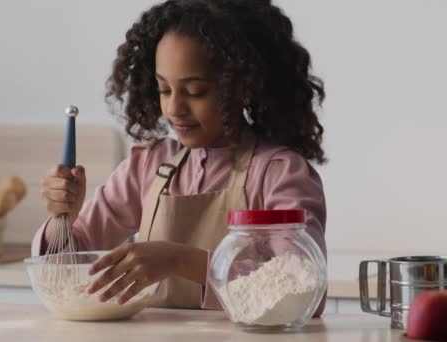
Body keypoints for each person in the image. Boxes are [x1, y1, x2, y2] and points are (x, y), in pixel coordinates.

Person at [32, 0, 327, 315]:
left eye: (195, 91)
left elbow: (303, 288)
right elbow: (63, 264)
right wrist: (62, 217)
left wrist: (178, 260)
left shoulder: (278, 173)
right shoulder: (147, 167)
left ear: (244, 87)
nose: (174, 109)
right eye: (164, 90)